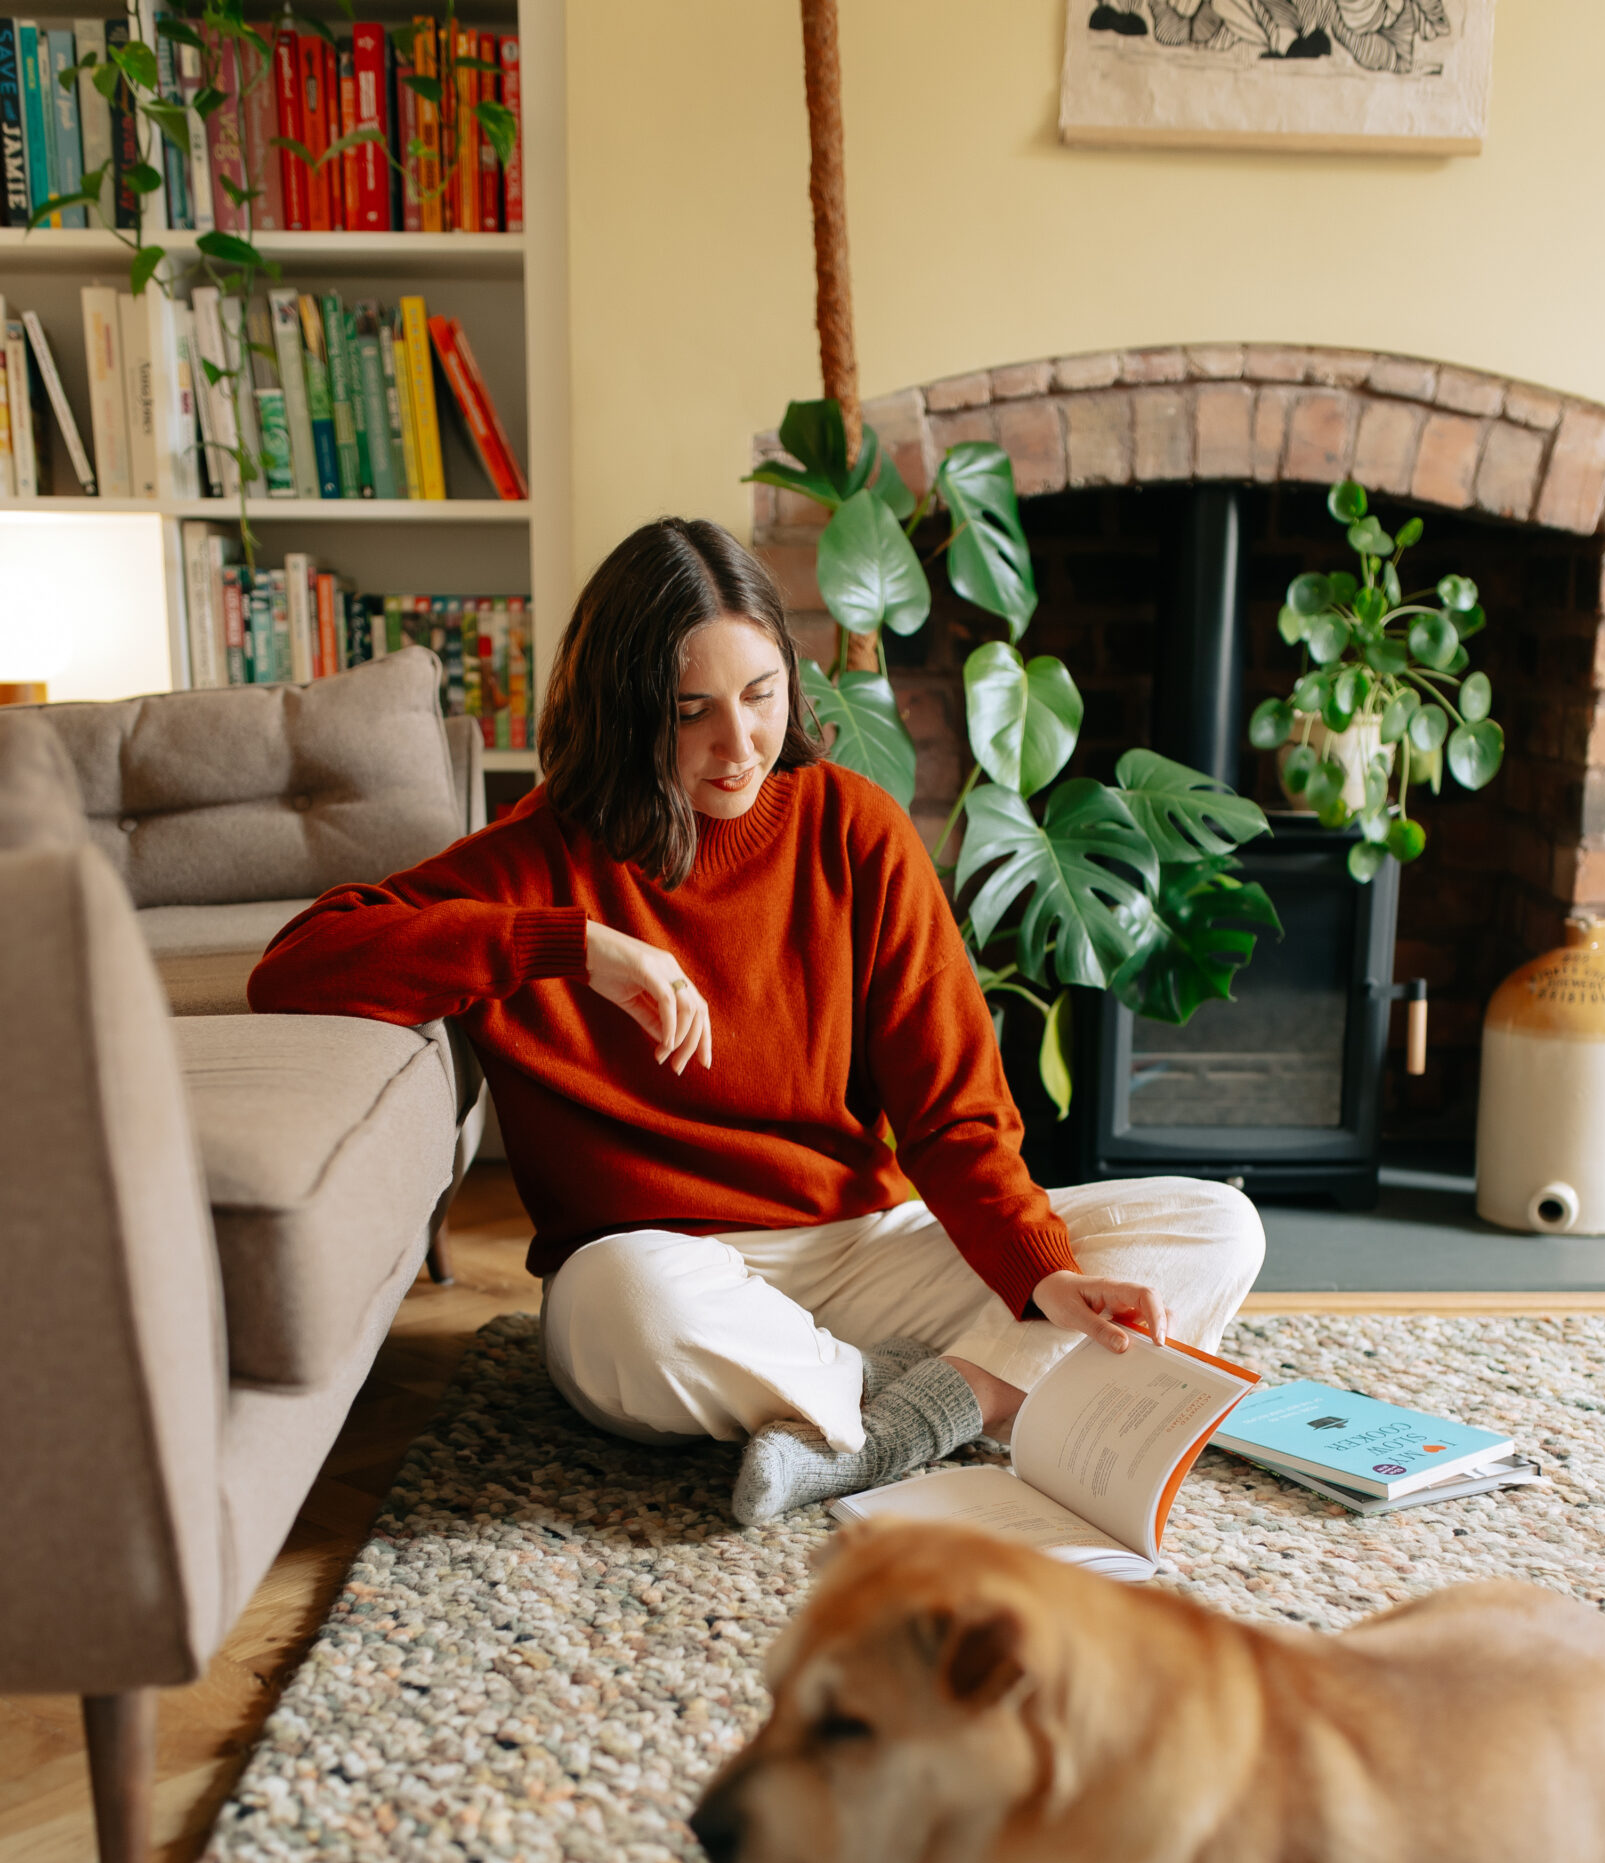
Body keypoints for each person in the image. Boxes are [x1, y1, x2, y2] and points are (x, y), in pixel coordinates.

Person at [250, 518, 1264, 1523]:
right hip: (665, 1266)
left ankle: (902, 1413)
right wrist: (569, 947)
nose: (737, 746)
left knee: (1213, 1227)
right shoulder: (538, 860)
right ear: (622, 711)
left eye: (760, 694)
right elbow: (296, 964)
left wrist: (1041, 1276)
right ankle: (926, 1388)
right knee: (617, 1313)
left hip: (867, 1244)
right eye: (689, 712)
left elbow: (955, 1116)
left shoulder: (851, 827)